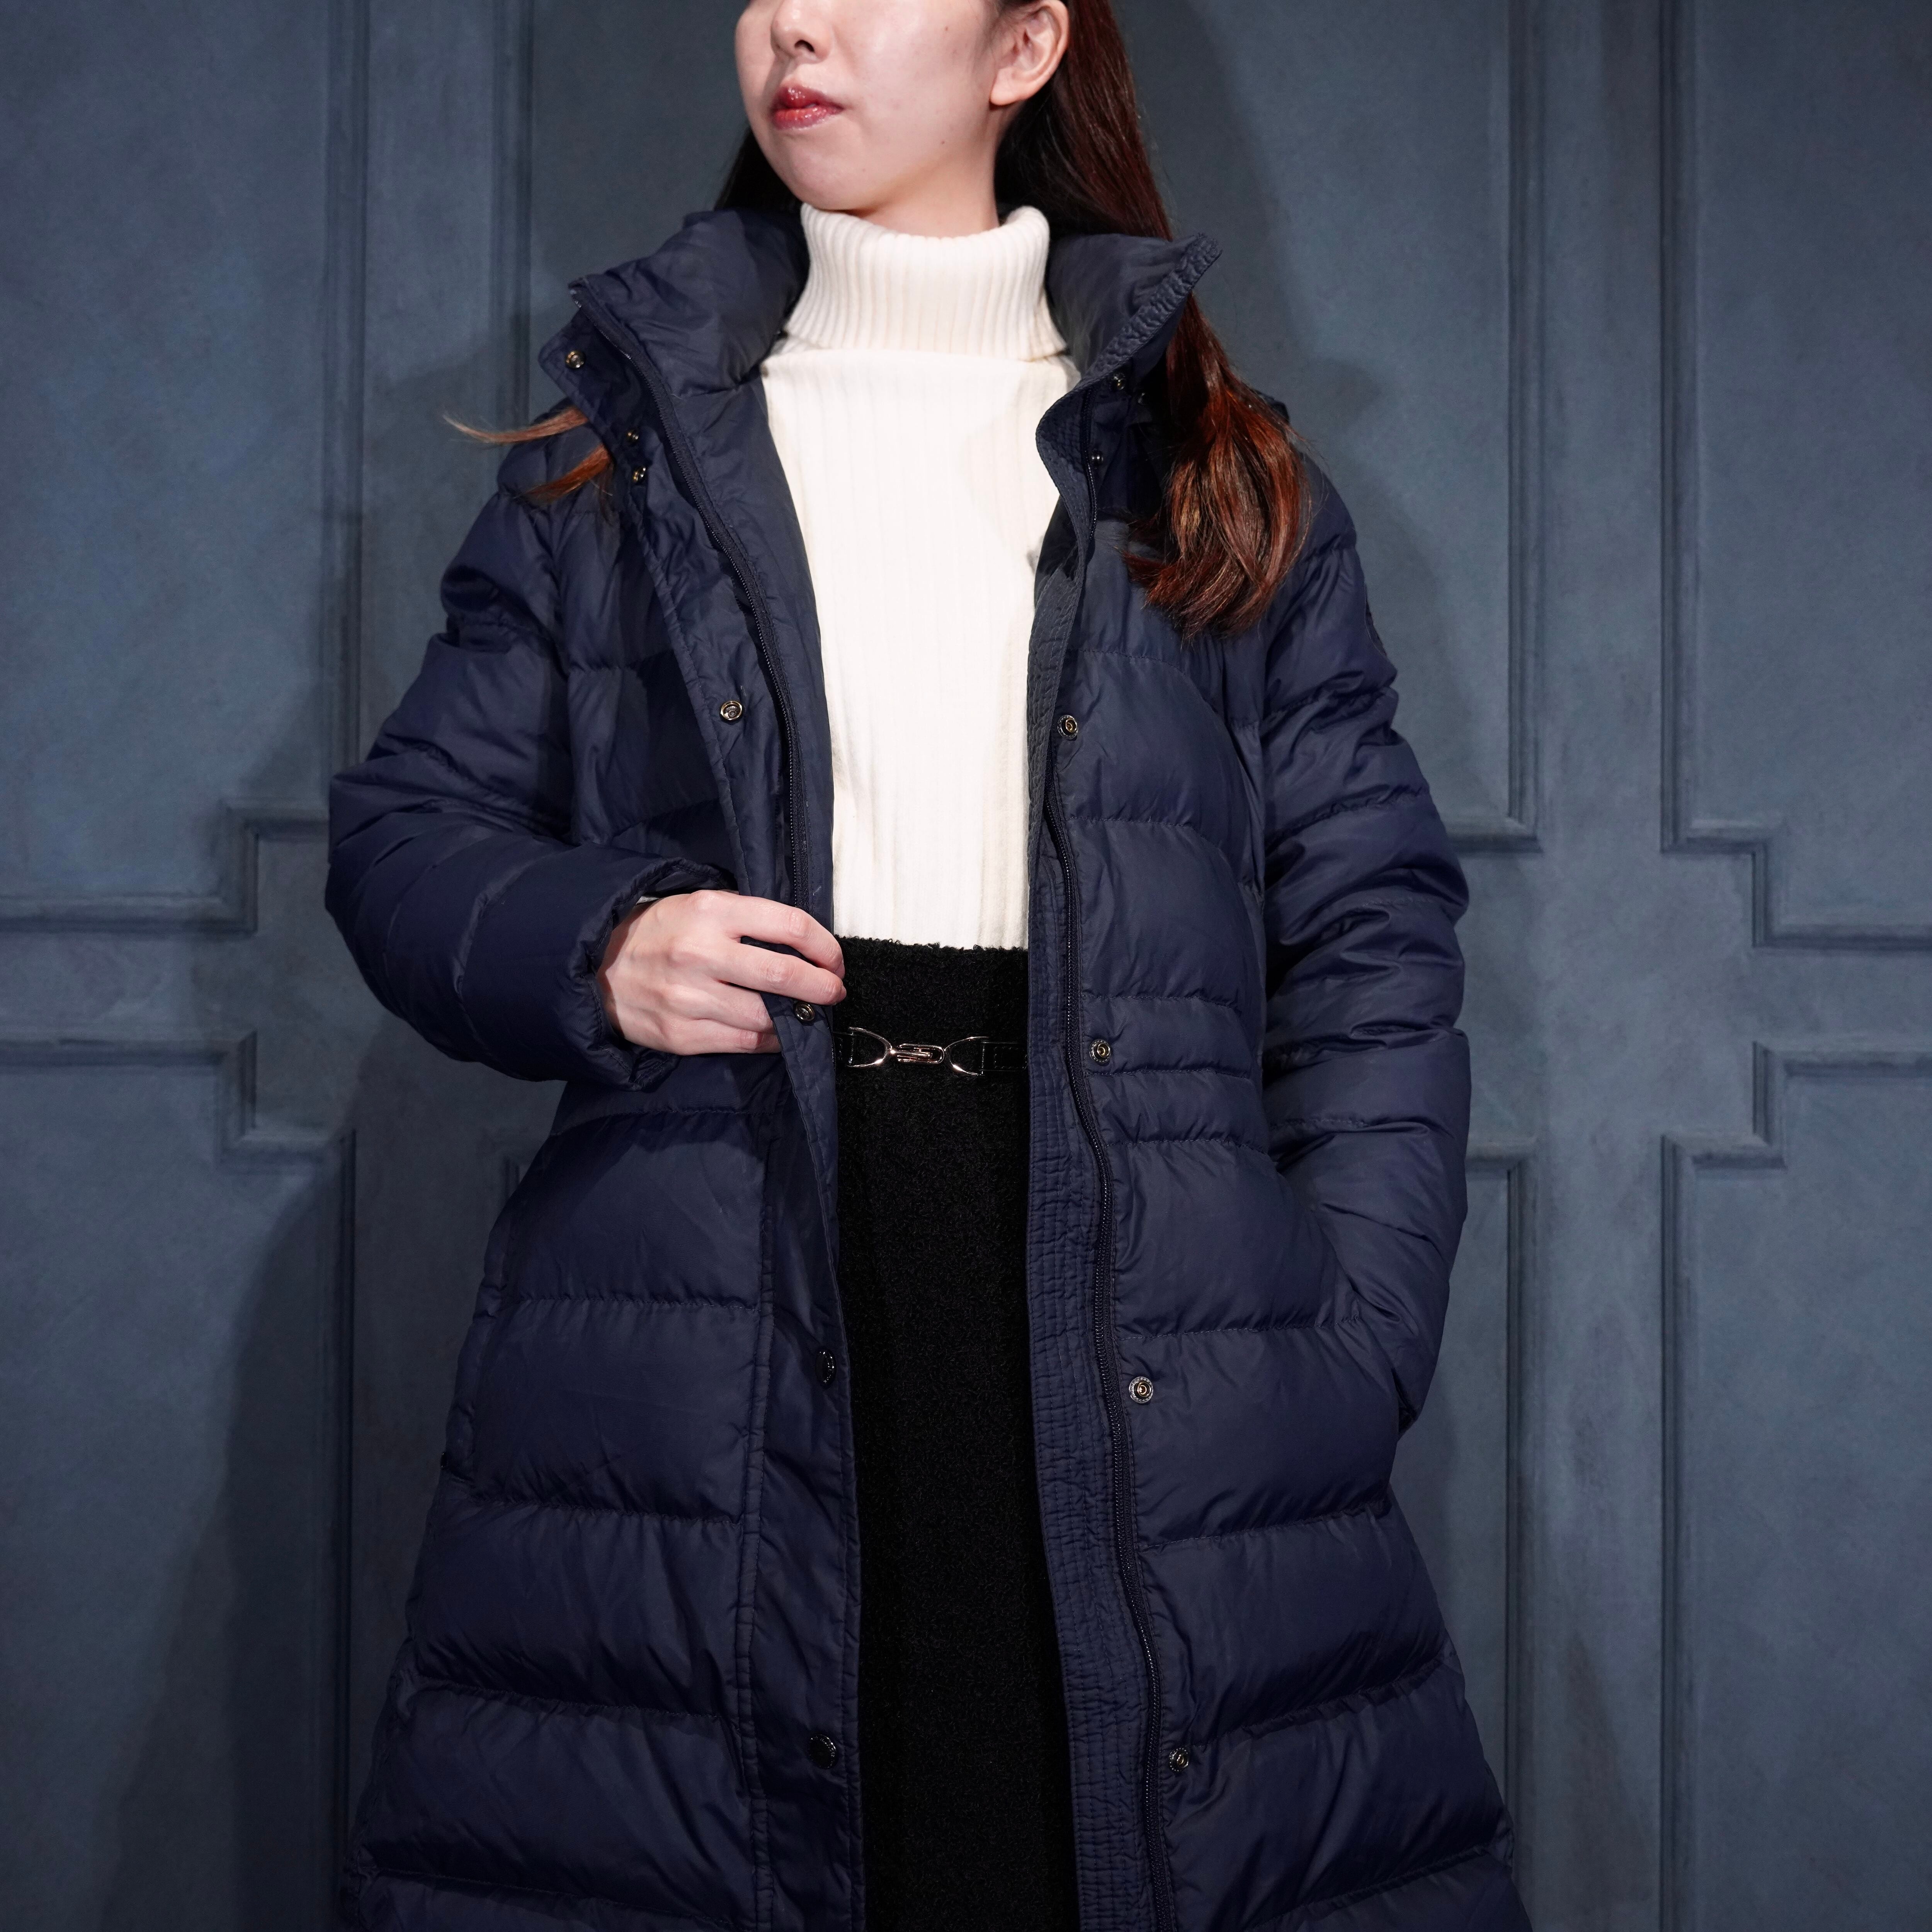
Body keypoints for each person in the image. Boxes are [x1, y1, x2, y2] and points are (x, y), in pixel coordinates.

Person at [324, 2, 1529, 1927]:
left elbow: (1371, 938)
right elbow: (403, 837)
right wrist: (598, 941)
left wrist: (1351, 1333)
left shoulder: (1216, 480)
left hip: (1143, 1334)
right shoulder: (615, 451)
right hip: (713, 1316)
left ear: (1022, 46)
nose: (794, 25)